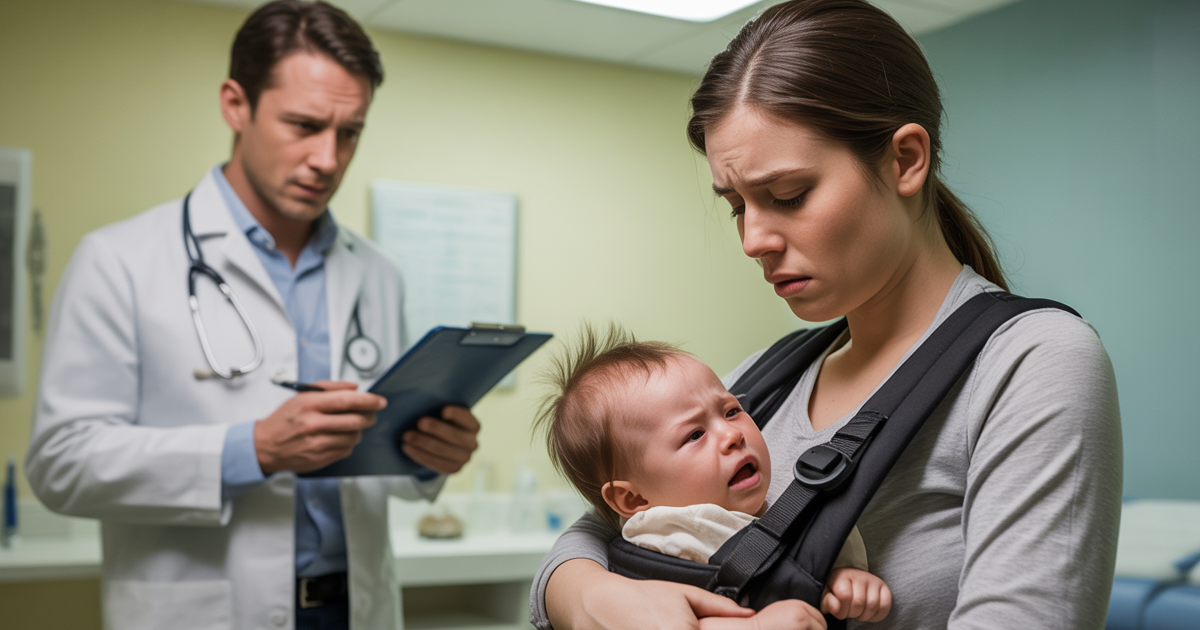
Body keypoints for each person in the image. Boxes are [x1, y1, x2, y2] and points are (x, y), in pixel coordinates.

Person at [530, 1, 1122, 628]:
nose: (753, 239)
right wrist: (594, 597)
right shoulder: (766, 376)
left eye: (788, 195)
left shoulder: (1031, 361)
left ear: (904, 160)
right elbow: (602, 532)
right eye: (737, 207)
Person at [24, 2, 480, 629]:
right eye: (304, 124)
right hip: (205, 610)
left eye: (349, 133)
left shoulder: (375, 272)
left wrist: (429, 453)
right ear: (235, 104)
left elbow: (383, 474)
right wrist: (254, 449)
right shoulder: (119, 260)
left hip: (355, 608)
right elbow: (61, 464)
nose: (328, 158)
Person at [532, 325, 891, 626]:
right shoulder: (670, 537)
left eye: (733, 410)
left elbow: (793, 560)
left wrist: (838, 579)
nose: (732, 434)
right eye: (694, 435)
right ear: (633, 500)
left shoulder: (760, 509)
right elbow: (672, 615)